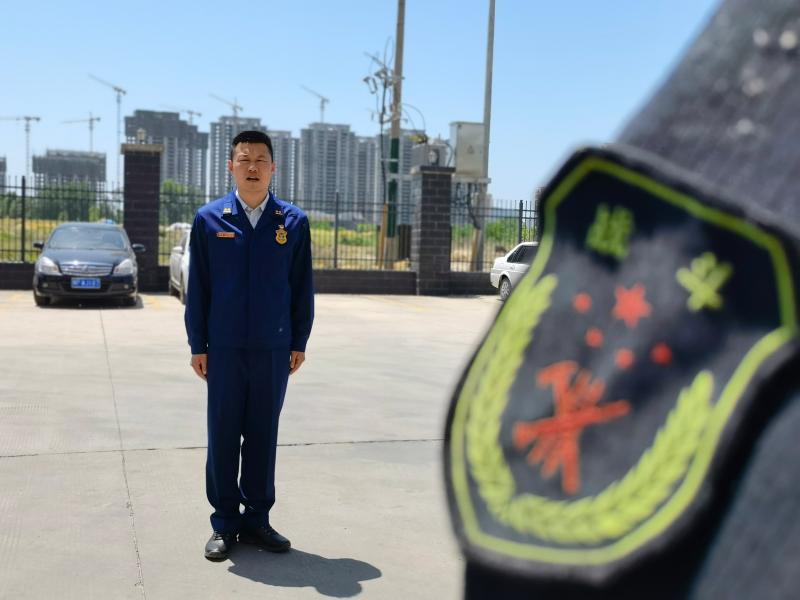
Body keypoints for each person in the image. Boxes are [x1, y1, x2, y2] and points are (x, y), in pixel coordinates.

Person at [185, 130, 314, 561]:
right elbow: (198, 288)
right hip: (222, 349)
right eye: (244, 159)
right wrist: (197, 344)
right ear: (231, 166)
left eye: (261, 160)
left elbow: (301, 288)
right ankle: (224, 522)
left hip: (273, 350)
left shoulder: (292, 222)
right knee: (223, 434)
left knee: (262, 435)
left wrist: (299, 340)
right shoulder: (209, 219)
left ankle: (257, 519)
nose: (253, 167)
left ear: (274, 167)